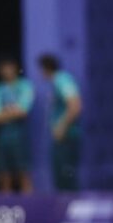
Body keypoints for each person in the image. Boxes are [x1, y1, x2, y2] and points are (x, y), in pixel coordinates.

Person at [0, 58, 34, 194]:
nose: (6, 71)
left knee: (23, 173)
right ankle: (5, 209)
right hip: (2, 138)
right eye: (3, 68)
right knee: (4, 175)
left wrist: (3, 113)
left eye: (9, 67)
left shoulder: (25, 86)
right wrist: (12, 111)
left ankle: (30, 207)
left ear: (15, 68)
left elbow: (23, 111)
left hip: (19, 136)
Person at [38, 54, 83, 191]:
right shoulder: (58, 81)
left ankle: (68, 210)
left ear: (45, 68)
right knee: (62, 178)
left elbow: (75, 106)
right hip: (64, 138)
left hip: (66, 137)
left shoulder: (62, 79)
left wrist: (61, 127)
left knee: (66, 179)